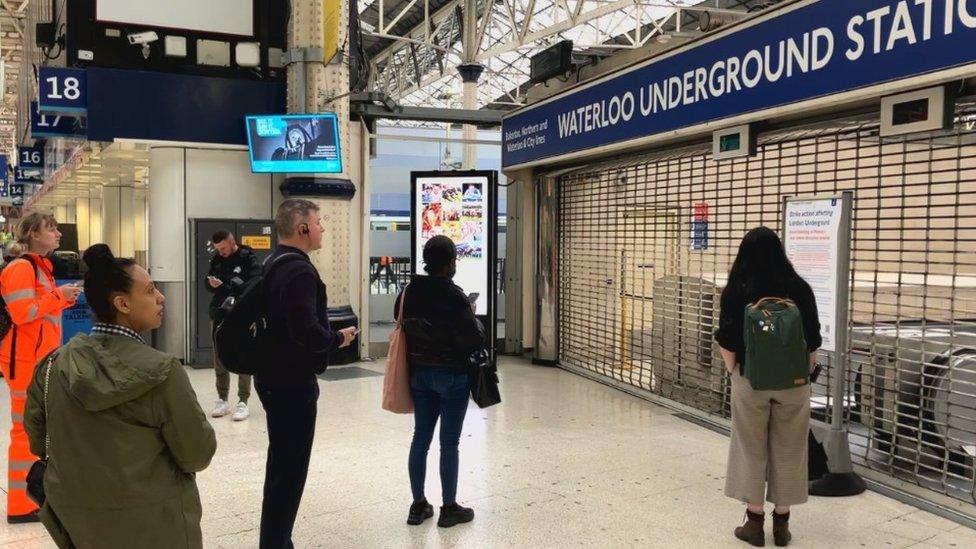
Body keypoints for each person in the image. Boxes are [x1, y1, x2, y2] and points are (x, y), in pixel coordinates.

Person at [23, 244, 216, 548]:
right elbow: (197, 453)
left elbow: (38, 441)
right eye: (151, 290)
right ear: (122, 304)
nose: (161, 297)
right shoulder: (163, 373)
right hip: (157, 524)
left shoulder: (51, 367)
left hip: (80, 525)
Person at [257, 199, 356, 549]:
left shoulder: (273, 262)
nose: (323, 229)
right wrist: (338, 339)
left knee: (282, 464)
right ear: (302, 229)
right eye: (318, 222)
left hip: (272, 376)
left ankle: (276, 539)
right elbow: (306, 331)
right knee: (290, 470)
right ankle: (276, 542)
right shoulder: (299, 270)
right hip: (291, 383)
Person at [715, 227, 822, 547]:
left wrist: (735, 372)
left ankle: (754, 522)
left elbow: (727, 339)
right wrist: (802, 373)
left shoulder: (737, 289)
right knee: (790, 448)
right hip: (794, 383)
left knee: (750, 446)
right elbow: (813, 340)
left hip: (751, 380)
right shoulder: (799, 288)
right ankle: (782, 526)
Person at [394, 235, 485, 528]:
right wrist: (472, 314)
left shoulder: (409, 292)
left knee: (420, 439)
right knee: (449, 443)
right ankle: (449, 508)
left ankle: (418, 505)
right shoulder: (455, 295)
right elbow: (474, 338)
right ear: (449, 264)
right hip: (452, 377)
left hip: (419, 374)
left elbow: (400, 320)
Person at [0, 213, 80, 524]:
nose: (59, 234)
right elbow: (23, 313)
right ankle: (21, 504)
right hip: (24, 364)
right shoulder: (23, 267)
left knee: (35, 431)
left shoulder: (39, 268)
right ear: (33, 234)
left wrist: (62, 298)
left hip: (35, 362)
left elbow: (39, 311)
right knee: (24, 432)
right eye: (52, 229)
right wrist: (59, 295)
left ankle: (33, 496)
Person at [206, 230, 260, 421]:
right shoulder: (217, 259)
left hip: (241, 312)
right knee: (219, 355)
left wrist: (232, 284)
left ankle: (242, 401)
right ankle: (222, 399)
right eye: (217, 249)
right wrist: (211, 283)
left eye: (223, 248)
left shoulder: (247, 258)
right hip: (220, 312)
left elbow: (255, 282)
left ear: (232, 242)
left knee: (243, 354)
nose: (220, 252)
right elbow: (208, 281)